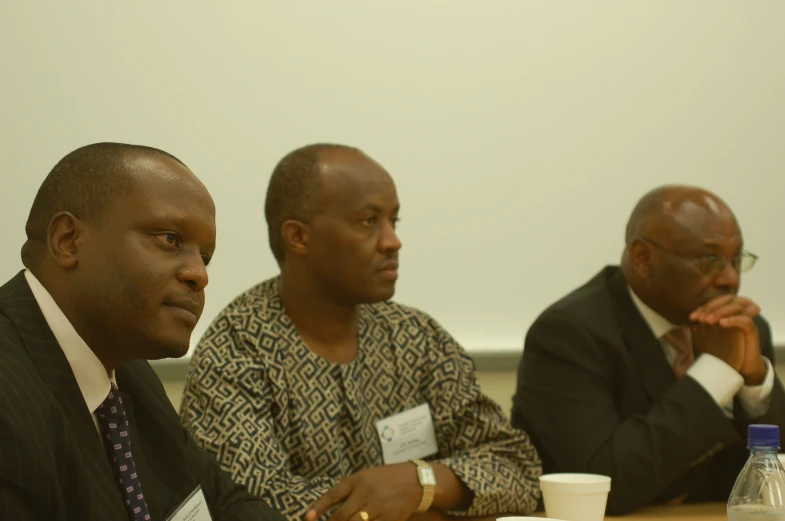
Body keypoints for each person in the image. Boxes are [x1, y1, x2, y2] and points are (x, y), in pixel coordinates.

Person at [179, 143, 542, 521]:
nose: (392, 241)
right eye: (369, 221)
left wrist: (420, 483)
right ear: (298, 237)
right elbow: (253, 505)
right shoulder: (236, 349)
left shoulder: (416, 337)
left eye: (394, 221)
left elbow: (517, 467)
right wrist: (421, 506)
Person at [0, 143, 285, 521]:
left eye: (205, 256)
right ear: (68, 240)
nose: (199, 275)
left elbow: (224, 501)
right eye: (169, 239)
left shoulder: (128, 370)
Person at [511, 185, 785, 514]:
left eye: (736, 259)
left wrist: (755, 380)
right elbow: (604, 481)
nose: (729, 279)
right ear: (643, 258)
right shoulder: (568, 335)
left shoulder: (741, 332)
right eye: (709, 260)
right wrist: (716, 372)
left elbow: (771, 478)